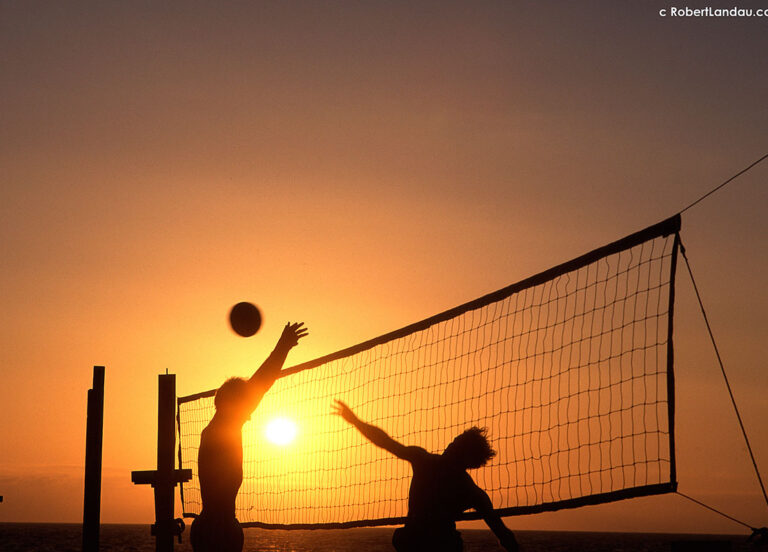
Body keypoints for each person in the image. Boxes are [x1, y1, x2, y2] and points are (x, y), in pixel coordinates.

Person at [333, 400, 519, 552]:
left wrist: (355, 421)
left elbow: (386, 442)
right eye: (455, 440)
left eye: (457, 442)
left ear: (465, 454)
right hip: (435, 543)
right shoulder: (471, 491)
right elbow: (504, 534)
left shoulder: (425, 462)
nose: (452, 442)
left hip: (420, 542)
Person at [191, 322, 309, 552]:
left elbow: (257, 388)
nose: (250, 411)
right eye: (245, 404)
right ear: (232, 404)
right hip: (218, 530)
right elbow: (261, 384)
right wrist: (282, 347)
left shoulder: (217, 428)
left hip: (212, 526)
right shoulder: (224, 427)